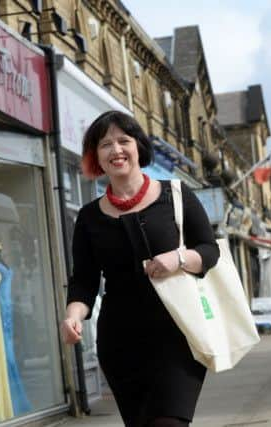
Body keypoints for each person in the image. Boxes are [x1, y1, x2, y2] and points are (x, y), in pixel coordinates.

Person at [61, 111, 220, 427]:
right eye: (106, 144)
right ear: (96, 156)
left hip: (178, 332)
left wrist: (179, 258)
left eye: (124, 141)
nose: (116, 150)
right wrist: (73, 316)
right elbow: (84, 281)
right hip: (121, 341)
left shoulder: (176, 195)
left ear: (139, 147)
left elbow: (209, 250)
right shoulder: (89, 217)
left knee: (168, 423)